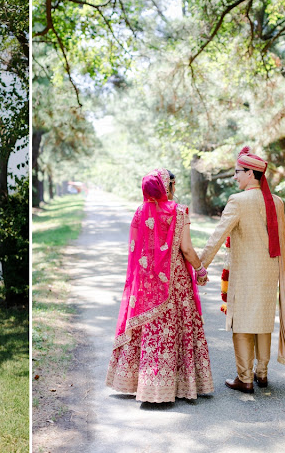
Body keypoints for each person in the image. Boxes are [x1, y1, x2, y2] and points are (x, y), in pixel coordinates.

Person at [106, 168, 214, 403]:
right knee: (175, 328)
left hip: (147, 284)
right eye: (173, 185)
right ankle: (178, 385)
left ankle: (146, 384)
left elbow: (137, 252)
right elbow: (186, 249)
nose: (174, 189)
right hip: (175, 283)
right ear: (168, 187)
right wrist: (200, 270)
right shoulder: (180, 211)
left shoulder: (138, 212)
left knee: (151, 331)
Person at [199, 146, 285, 394]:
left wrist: (199, 264)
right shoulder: (277, 202)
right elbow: (282, 243)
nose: (235, 177)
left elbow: (218, 236)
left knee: (242, 322)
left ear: (251, 173)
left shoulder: (238, 201)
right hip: (269, 270)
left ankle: (245, 378)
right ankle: (261, 374)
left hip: (245, 273)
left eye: (237, 172)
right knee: (263, 321)